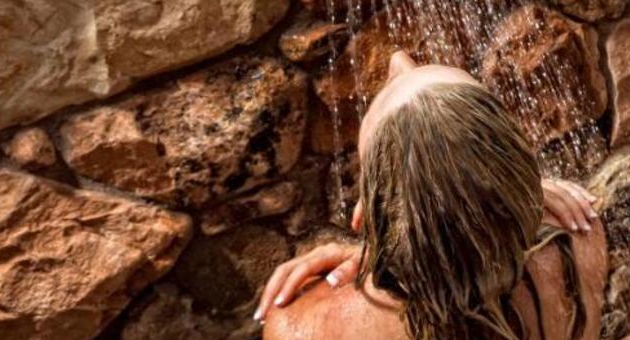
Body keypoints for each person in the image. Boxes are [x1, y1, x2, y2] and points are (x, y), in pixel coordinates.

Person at [257, 51, 607, 340]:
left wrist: (383, 256)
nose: (399, 60)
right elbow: (473, 265)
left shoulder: (302, 327)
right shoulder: (578, 240)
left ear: (366, 214)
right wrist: (514, 197)